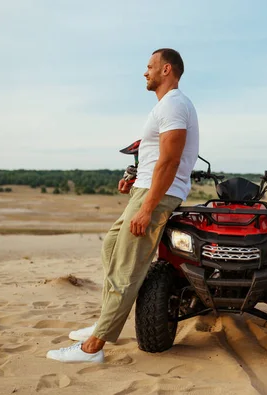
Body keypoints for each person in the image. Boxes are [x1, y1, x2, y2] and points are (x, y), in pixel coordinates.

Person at [47, 48, 199, 363]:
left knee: (126, 269)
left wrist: (147, 208)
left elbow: (170, 161)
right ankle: (104, 322)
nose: (145, 72)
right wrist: (134, 177)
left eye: (150, 66)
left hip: (155, 196)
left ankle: (94, 347)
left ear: (166, 69)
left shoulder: (174, 105)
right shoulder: (165, 107)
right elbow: (156, 157)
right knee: (112, 249)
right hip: (145, 190)